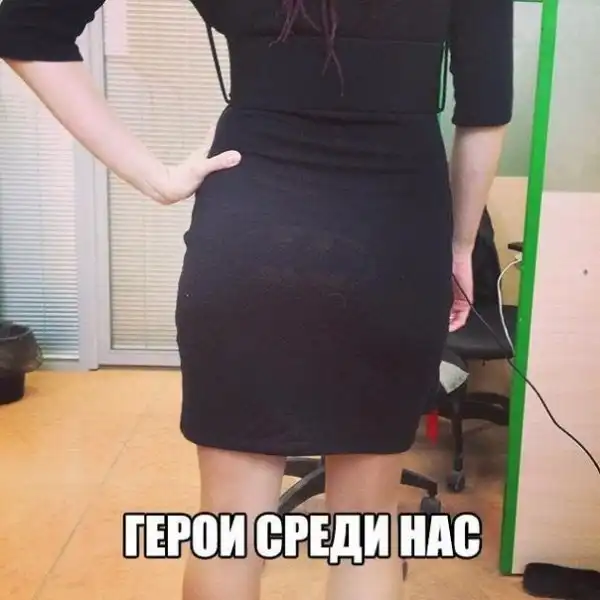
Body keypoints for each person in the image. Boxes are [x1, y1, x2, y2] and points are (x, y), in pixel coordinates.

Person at [0, 0, 512, 599]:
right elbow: (485, 111)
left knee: (229, 531)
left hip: (250, 237)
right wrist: (459, 247)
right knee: (367, 535)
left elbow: (26, 29)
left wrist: (154, 177)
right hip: (394, 246)